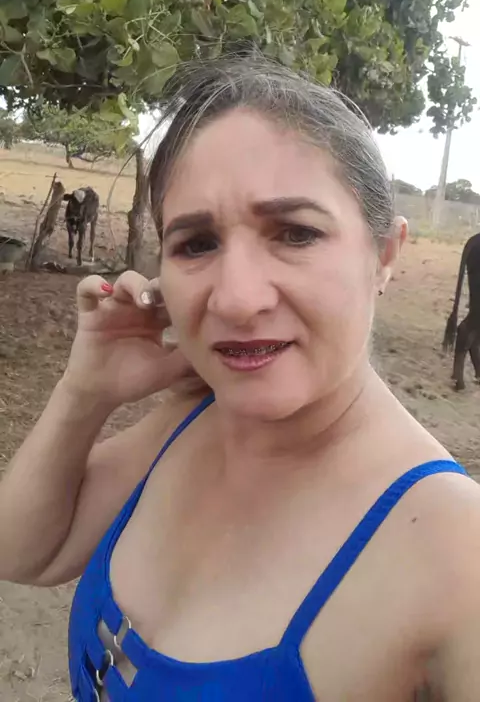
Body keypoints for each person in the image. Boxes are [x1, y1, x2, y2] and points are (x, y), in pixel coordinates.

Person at [1, 57, 479, 702]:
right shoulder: (189, 421)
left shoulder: (457, 556)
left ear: (384, 254)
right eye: (197, 243)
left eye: (295, 233)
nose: (236, 299)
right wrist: (85, 393)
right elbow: (25, 553)